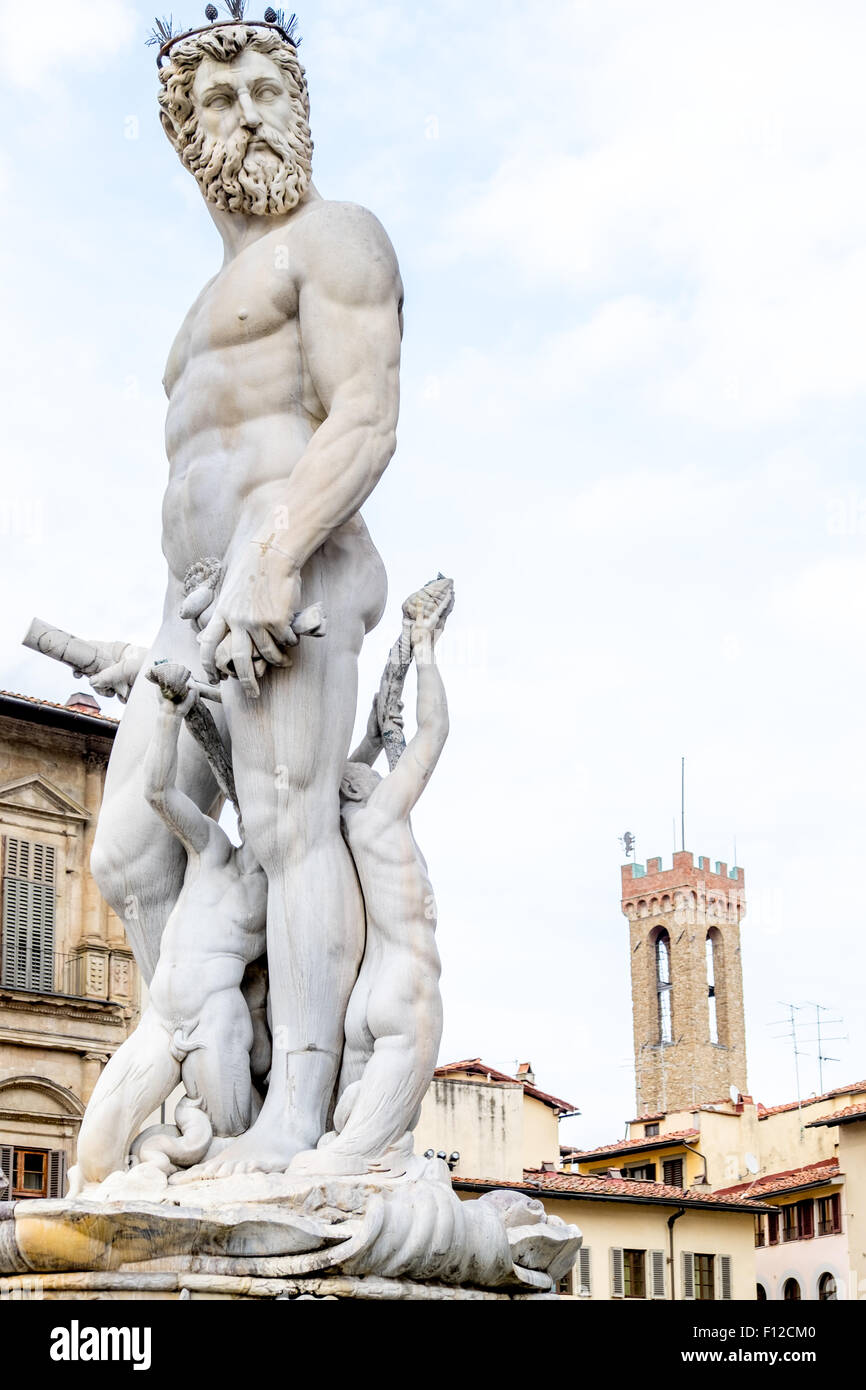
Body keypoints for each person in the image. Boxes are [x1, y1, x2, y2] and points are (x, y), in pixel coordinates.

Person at [90, 17, 402, 1172]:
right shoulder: (198, 306)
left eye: (270, 88)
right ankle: (215, 1075)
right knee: (128, 848)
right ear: (185, 133)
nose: (252, 113)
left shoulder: (335, 239)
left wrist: (276, 550)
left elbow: (364, 414)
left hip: (293, 554)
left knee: (285, 826)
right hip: (189, 598)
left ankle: (295, 1115)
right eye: (222, 101)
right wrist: (161, 625)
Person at [71, 664, 267, 1190]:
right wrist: (166, 716)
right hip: (161, 1019)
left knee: (223, 1158)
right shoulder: (214, 850)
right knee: (94, 1154)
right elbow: (158, 793)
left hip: (216, 1023)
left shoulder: (283, 898)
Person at [289, 585, 452, 1177]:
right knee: (360, 1159)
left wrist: (394, 669)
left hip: (365, 996)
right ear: (362, 786)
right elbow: (431, 735)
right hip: (408, 984)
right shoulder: (384, 816)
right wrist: (426, 649)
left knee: (342, 1145)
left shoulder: (349, 829)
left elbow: (383, 736)